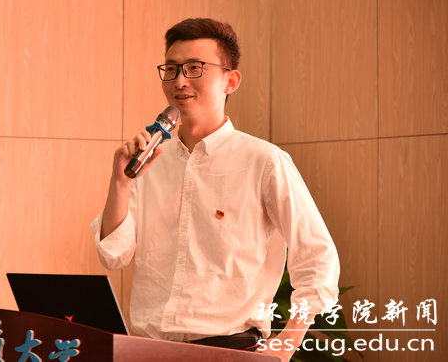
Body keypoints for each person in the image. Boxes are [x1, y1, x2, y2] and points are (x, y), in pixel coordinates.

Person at [91, 18, 339, 361]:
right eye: (172, 69)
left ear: (230, 80)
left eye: (195, 68)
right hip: (150, 350)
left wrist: (284, 346)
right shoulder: (150, 160)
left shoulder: (265, 161)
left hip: (232, 350)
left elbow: (318, 259)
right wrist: (120, 183)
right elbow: (113, 255)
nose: (180, 81)